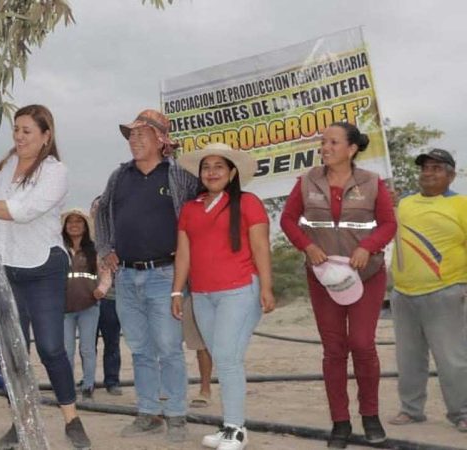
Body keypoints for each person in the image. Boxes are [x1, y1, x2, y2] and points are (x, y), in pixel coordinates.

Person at [0, 104, 91, 450]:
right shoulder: (1, 170)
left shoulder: (56, 172)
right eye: (16, 129)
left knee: (51, 346)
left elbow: (22, 212)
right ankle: (20, 420)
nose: (20, 136)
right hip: (5, 269)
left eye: (27, 130)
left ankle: (72, 419)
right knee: (7, 351)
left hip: (43, 269)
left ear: (46, 136)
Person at [280, 122, 397, 448]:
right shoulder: (306, 182)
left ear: (352, 148)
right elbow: (287, 220)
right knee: (334, 350)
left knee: (361, 343)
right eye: (323, 142)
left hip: (366, 276)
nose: (325, 147)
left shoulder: (372, 183)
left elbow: (389, 224)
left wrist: (367, 246)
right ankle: (340, 423)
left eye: (333, 142)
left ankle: (370, 416)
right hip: (323, 278)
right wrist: (307, 246)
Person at [95, 109, 196, 443]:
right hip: (126, 276)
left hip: (164, 275)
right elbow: (102, 212)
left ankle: (177, 415)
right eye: (131, 135)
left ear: (160, 140)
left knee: (168, 347)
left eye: (142, 134)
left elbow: (196, 219)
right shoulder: (118, 176)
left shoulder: (179, 176)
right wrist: (106, 246)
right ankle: (149, 413)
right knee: (139, 349)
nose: (134, 141)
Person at [171, 142, 275, 450]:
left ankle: (236, 429)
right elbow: (184, 255)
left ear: (231, 172)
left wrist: (267, 288)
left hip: (240, 290)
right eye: (206, 167)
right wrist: (177, 289)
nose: (212, 172)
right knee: (222, 357)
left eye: (219, 166)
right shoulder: (190, 209)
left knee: (228, 359)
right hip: (203, 295)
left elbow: (260, 248)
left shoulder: (248, 203)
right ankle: (228, 424)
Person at [388, 148, 467, 433]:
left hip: (445, 291)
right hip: (403, 293)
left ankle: (461, 412)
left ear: (450, 174)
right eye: (424, 168)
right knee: (408, 358)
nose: (428, 173)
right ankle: (411, 410)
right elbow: (383, 228)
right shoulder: (404, 203)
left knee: (452, 358)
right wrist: (388, 204)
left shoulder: (461, 205)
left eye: (435, 168)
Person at [61, 208, 111, 400]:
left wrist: (102, 290)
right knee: (66, 349)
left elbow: (106, 275)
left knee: (87, 348)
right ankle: (67, 386)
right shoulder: (59, 250)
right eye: (70, 222)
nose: (74, 225)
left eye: (78, 222)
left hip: (89, 307)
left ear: (85, 226)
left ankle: (88, 384)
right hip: (64, 308)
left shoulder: (95, 250)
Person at [89, 196, 122, 396]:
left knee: (112, 342)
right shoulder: (83, 239)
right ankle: (88, 380)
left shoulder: (116, 238)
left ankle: (112, 381)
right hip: (86, 299)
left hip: (111, 297)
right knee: (88, 344)